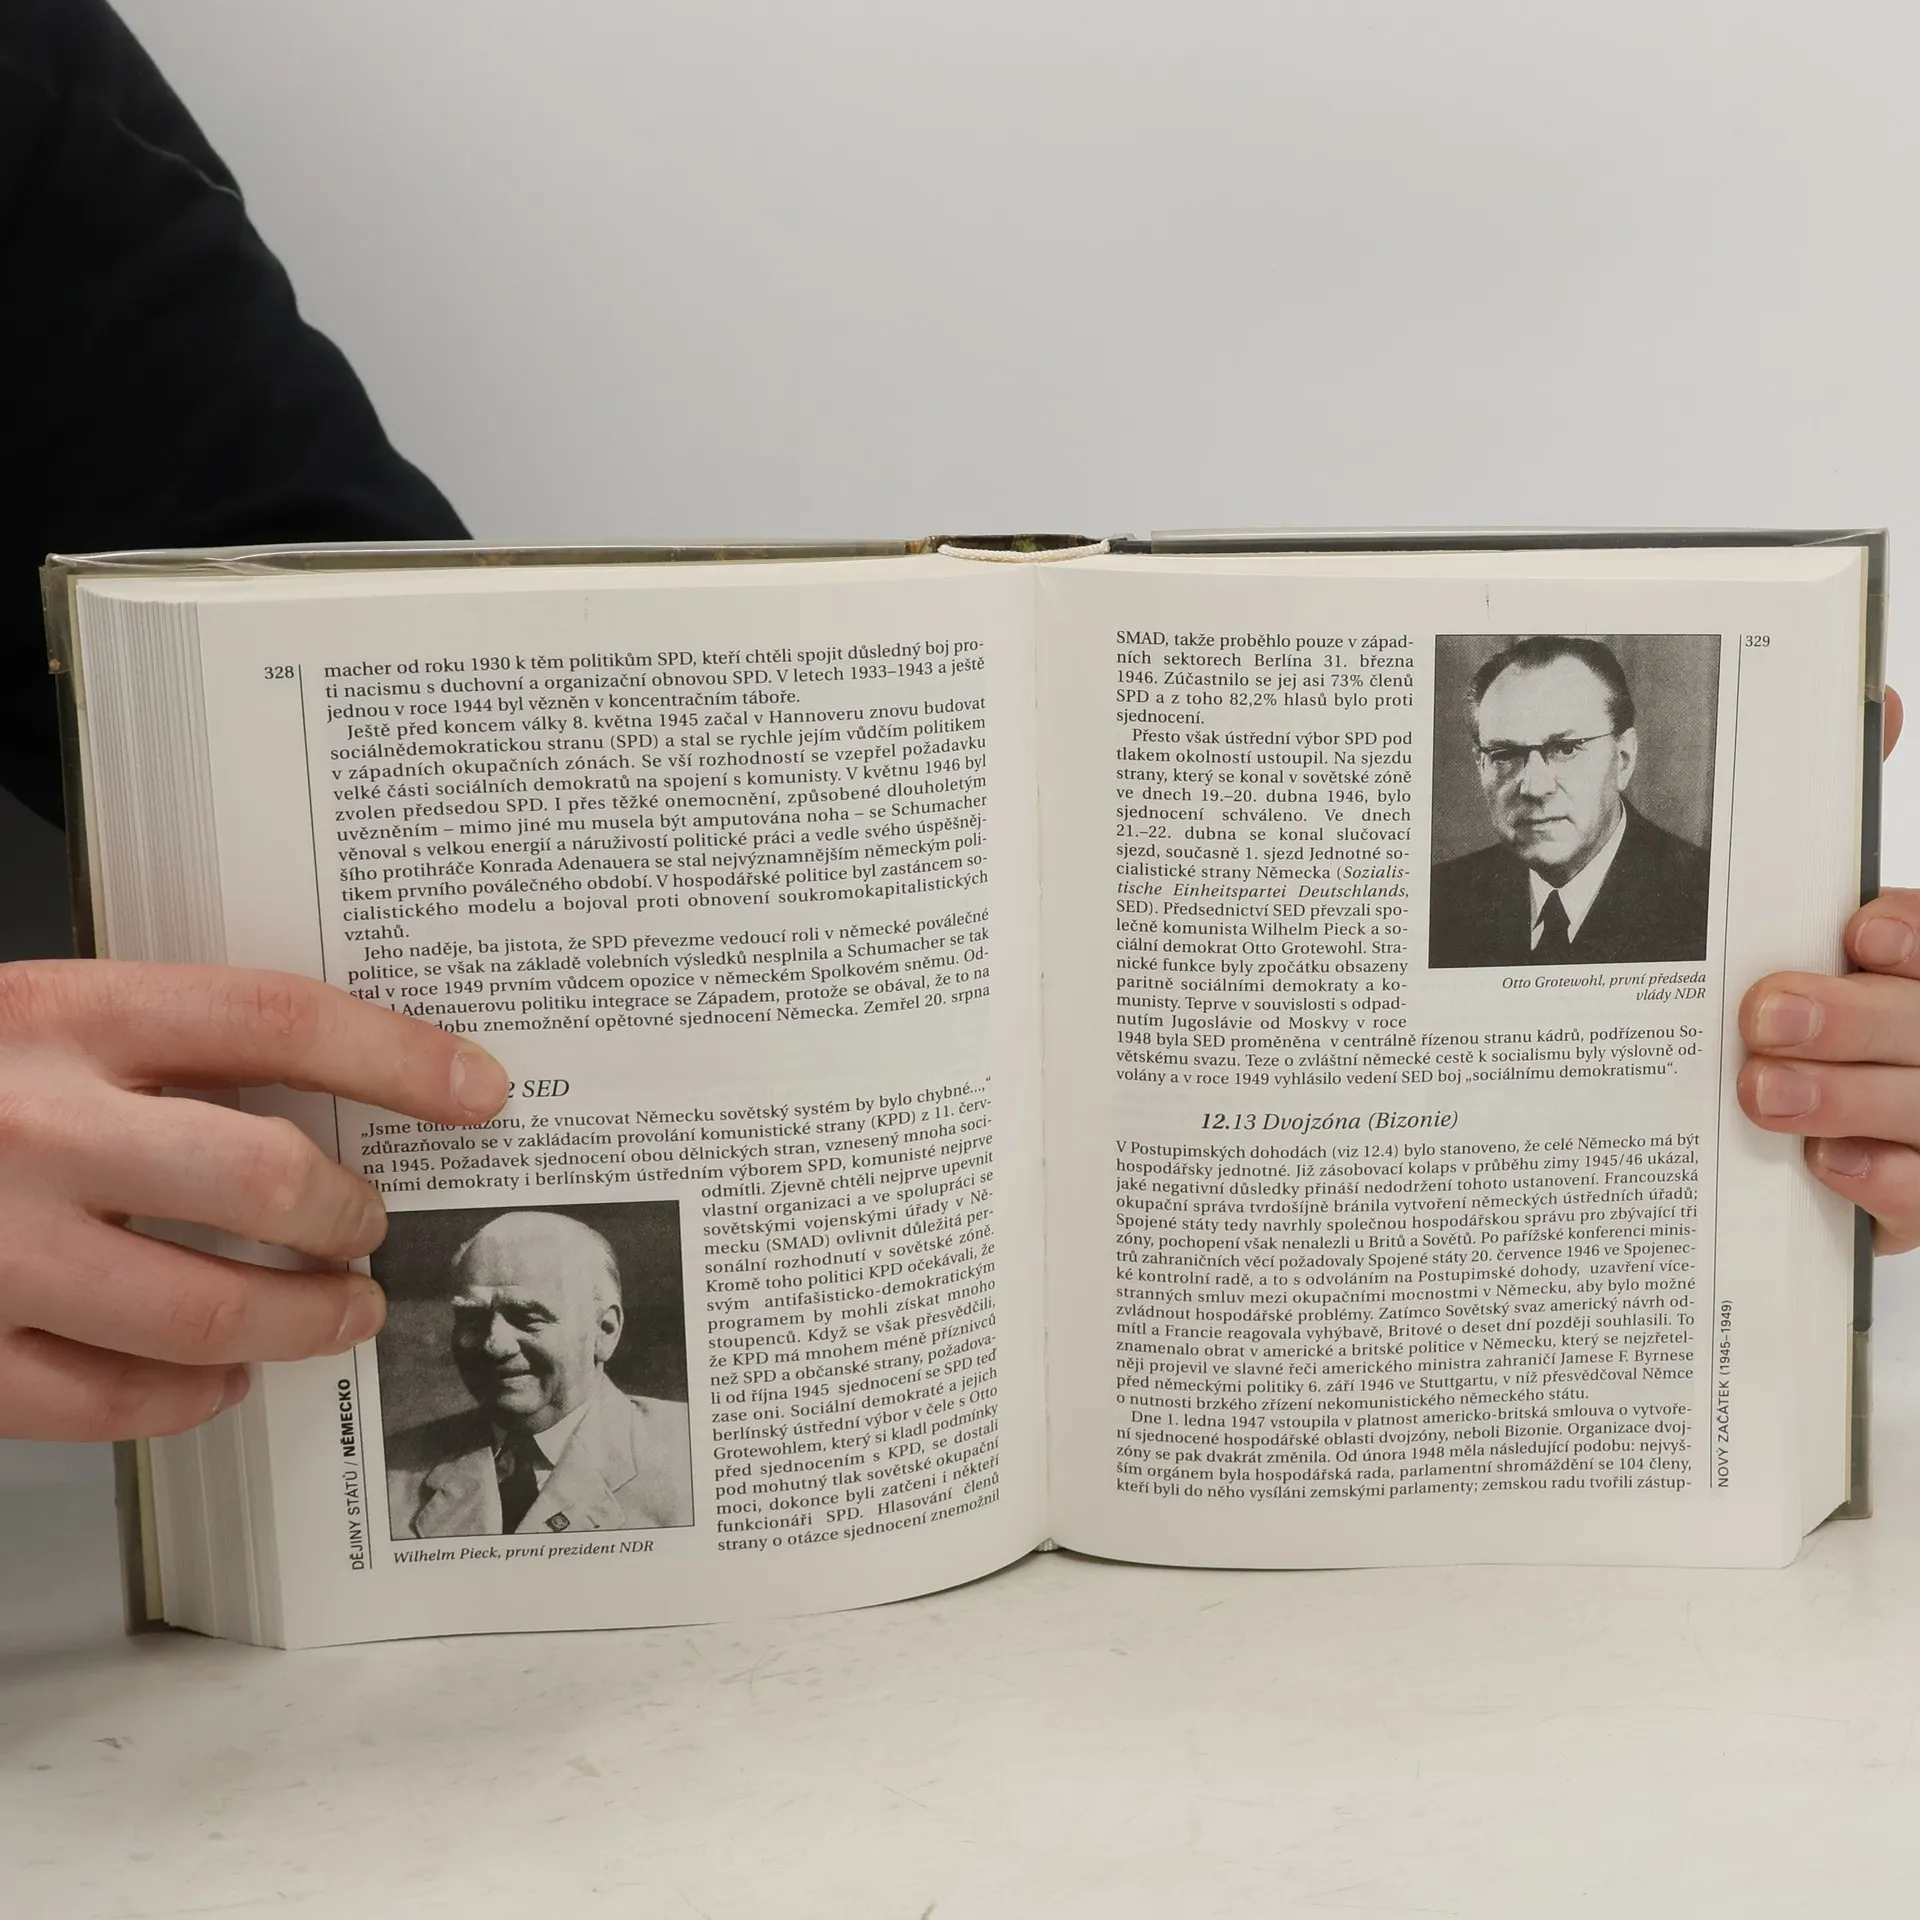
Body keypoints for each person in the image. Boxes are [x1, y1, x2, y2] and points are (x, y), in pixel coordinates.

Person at [385, 1212, 694, 1538]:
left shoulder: (692, 1455)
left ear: (604, 1331)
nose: (494, 1345)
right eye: (472, 1318)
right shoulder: (390, 1470)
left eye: (527, 1318)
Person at [1428, 634, 1710, 968]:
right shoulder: (1440, 900)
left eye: (1565, 749)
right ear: (1480, 766)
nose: (1534, 787)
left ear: (1623, 759)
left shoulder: (1706, 899)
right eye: (1505, 754)